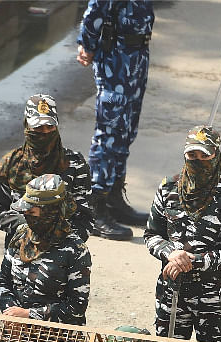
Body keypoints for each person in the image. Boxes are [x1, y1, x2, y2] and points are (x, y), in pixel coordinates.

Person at [145, 126, 221, 342]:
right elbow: (152, 234)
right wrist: (172, 254)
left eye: (204, 155)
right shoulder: (168, 188)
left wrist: (194, 261)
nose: (197, 160)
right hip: (172, 290)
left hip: (214, 296)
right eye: (192, 155)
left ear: (215, 155)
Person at [76, 0, 154, 229]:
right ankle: (95, 208)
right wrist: (87, 46)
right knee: (110, 133)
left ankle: (113, 200)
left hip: (137, 58)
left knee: (126, 132)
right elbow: (94, 13)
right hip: (115, 63)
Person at [0, 94, 109, 241]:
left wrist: (66, 243)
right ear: (27, 126)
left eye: (49, 126)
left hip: (64, 251)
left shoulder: (75, 164)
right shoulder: (10, 163)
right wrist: (28, 229)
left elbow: (86, 215)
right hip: (20, 249)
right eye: (38, 127)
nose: (45, 132)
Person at [0, 174, 92, 326]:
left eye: (32, 213)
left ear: (50, 212)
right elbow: (2, 280)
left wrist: (29, 315)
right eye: (25, 214)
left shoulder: (75, 249)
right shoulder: (21, 236)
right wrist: (11, 313)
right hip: (16, 332)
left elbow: (76, 307)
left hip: (57, 339)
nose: (26, 217)